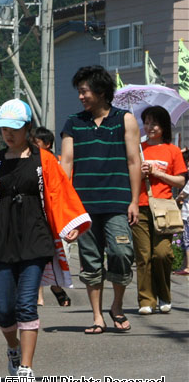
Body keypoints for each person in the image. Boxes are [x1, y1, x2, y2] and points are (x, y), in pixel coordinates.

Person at [0, 99, 90, 379]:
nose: (8, 134)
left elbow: (60, 194)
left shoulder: (44, 159)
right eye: (4, 129)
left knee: (26, 303)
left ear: (27, 128)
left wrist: (68, 225)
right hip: (2, 238)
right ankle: (12, 348)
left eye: (14, 128)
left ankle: (25, 366)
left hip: (35, 237)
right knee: (3, 309)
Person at [60, 66, 142, 334]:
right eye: (80, 91)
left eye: (85, 91)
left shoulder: (124, 119)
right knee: (90, 260)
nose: (81, 96)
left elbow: (133, 161)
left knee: (121, 253)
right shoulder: (73, 122)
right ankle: (97, 316)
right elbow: (66, 163)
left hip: (118, 203)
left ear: (101, 91)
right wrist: (63, 206)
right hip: (83, 206)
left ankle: (116, 306)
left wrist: (133, 201)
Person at [133, 105, 187, 314]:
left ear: (163, 126)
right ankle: (146, 300)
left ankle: (164, 295)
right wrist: (141, 173)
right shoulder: (137, 148)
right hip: (140, 206)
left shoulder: (172, 150)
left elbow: (180, 180)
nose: (150, 127)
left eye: (154, 123)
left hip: (164, 208)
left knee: (162, 254)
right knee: (143, 255)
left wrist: (157, 173)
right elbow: (129, 178)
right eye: (146, 122)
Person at [31, 126, 72, 308]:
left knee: (59, 256)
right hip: (36, 217)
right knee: (36, 256)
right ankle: (39, 296)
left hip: (57, 217)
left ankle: (56, 288)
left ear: (47, 144)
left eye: (36, 143)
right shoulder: (29, 162)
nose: (32, 147)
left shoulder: (58, 163)